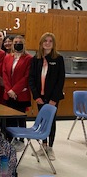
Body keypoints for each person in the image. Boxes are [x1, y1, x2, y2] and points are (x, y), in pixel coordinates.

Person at [29, 32, 65, 161]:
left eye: (50, 41)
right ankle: (42, 146)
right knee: (42, 122)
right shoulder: (36, 59)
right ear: (41, 43)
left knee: (51, 122)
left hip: (52, 99)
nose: (47, 43)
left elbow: (60, 80)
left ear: (53, 44)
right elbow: (31, 79)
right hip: (40, 97)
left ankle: (50, 147)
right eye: (45, 41)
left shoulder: (58, 59)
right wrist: (36, 96)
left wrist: (54, 99)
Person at [2, 35, 32, 152]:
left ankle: (21, 140)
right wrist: (9, 90)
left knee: (20, 118)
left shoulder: (29, 58)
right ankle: (10, 139)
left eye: (20, 42)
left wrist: (15, 90)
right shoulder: (8, 57)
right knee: (10, 118)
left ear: (23, 44)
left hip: (21, 94)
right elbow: (4, 73)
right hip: (9, 93)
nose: (17, 44)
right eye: (15, 42)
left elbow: (26, 77)